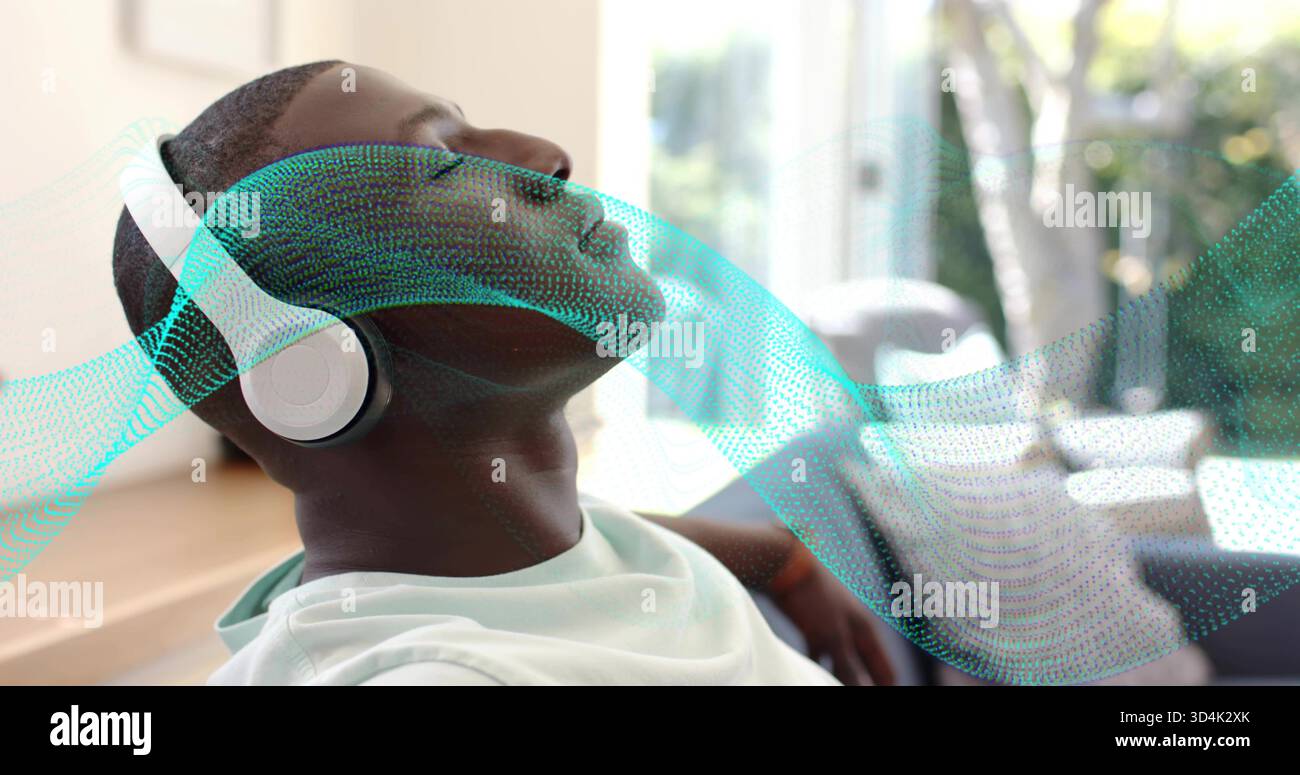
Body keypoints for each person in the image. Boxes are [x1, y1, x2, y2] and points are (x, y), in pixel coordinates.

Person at [111, 60, 894, 686]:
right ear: (310, 365)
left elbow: (586, 555)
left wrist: (778, 560)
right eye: (446, 166)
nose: (547, 156)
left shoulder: (522, 551)